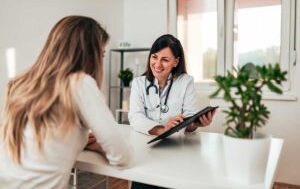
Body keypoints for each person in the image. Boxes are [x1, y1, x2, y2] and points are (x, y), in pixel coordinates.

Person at [0, 16, 133, 189]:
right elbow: (123, 157)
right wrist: (100, 146)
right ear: (89, 55)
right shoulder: (80, 83)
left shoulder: (19, 83)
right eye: (100, 54)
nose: (101, 61)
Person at [128, 34, 215, 189]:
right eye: (154, 57)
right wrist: (163, 129)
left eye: (165, 59)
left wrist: (196, 124)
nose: (157, 64)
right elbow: (135, 116)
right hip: (146, 150)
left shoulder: (185, 81)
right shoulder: (139, 83)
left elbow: (189, 117)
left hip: (177, 152)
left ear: (176, 61)